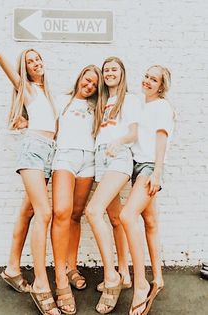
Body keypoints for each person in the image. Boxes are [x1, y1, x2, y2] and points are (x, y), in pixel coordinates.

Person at [0, 18, 60, 315]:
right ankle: (40, 282)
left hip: (48, 154)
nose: (35, 63)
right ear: (24, 68)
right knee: (44, 213)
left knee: (28, 211)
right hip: (33, 152)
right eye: (30, 61)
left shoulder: (47, 94)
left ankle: (12, 268)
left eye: (38, 59)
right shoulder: (26, 88)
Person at [85, 56, 141, 314]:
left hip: (118, 157)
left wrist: (118, 142)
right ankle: (124, 272)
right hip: (100, 158)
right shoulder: (101, 102)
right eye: (106, 69)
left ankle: (111, 277)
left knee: (93, 211)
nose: (109, 73)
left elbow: (133, 132)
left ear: (122, 73)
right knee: (115, 218)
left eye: (113, 69)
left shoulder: (127, 99)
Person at [119, 65, 174, 315]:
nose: (148, 81)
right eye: (146, 76)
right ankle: (158, 279)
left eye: (154, 79)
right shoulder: (140, 104)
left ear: (161, 86)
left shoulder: (162, 107)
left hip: (149, 167)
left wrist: (157, 173)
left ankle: (141, 283)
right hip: (137, 165)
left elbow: (161, 138)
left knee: (126, 216)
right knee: (150, 222)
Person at [50, 65, 104, 315]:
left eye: (94, 83)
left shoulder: (97, 106)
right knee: (61, 212)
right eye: (87, 79)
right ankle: (60, 277)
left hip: (89, 160)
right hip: (65, 157)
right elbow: (46, 123)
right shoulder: (62, 100)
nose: (90, 85)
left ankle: (71, 267)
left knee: (75, 215)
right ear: (79, 76)